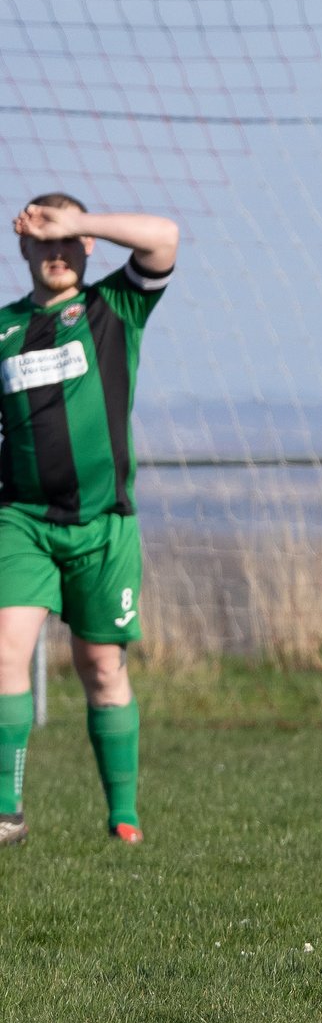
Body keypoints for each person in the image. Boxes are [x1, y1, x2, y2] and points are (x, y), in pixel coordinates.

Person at [0, 195, 179, 845]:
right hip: (20, 520)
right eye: (41, 238)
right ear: (21, 247)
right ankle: (5, 811)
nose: (54, 251)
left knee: (100, 664)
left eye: (65, 239)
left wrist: (76, 220)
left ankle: (123, 814)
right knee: (4, 651)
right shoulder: (5, 329)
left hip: (104, 525)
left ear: (85, 245)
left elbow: (164, 237)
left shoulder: (112, 308)